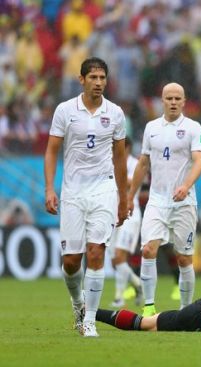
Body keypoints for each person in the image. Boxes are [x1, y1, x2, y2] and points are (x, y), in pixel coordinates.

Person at [44, 57, 128, 338]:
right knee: (71, 261)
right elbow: (52, 150)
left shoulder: (115, 113)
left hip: (104, 191)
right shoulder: (65, 110)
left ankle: (89, 320)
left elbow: (120, 157)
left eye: (102, 78)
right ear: (81, 80)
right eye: (93, 77)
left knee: (96, 253)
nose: (99, 83)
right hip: (73, 193)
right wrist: (49, 189)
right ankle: (78, 303)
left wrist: (124, 198)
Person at [128, 82, 201, 316]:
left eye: (177, 98)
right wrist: (129, 197)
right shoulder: (151, 128)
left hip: (184, 202)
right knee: (148, 250)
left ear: (184, 101)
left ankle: (185, 310)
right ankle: (149, 306)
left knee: (183, 258)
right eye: (168, 98)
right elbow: (143, 163)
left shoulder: (193, 128)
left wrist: (185, 186)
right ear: (162, 101)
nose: (173, 102)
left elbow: (199, 161)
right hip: (157, 201)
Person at [108, 137, 142, 308]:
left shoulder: (135, 163)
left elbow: (132, 182)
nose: (114, 150)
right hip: (111, 215)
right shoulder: (109, 162)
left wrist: (115, 175)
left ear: (126, 147)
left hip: (130, 214)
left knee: (121, 256)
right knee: (115, 261)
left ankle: (119, 297)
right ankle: (137, 283)